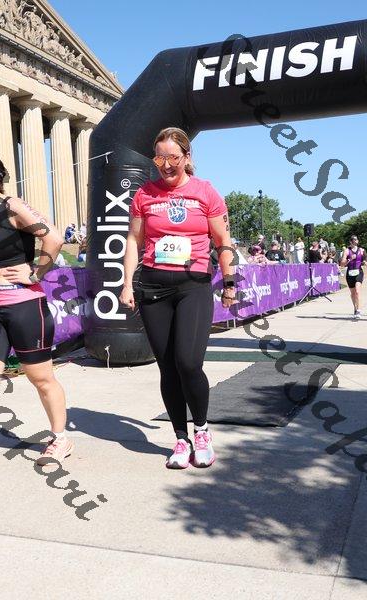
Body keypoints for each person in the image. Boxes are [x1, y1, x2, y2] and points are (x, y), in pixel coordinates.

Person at [119, 127, 235, 470]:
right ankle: (181, 438)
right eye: (160, 159)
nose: (166, 165)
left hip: (192, 286)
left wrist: (229, 282)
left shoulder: (205, 191)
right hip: (153, 288)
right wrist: (127, 283)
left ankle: (202, 431)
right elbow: (133, 241)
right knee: (167, 367)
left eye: (173, 157)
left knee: (188, 362)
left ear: (186, 157)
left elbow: (222, 241)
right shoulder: (144, 194)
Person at [0, 152, 73, 485]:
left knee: (41, 379)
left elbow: (54, 237)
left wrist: (36, 272)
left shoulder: (13, 206)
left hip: (26, 306)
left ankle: (60, 438)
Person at [340, 234, 366, 319]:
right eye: (354, 239)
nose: (356, 240)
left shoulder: (362, 250)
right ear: (351, 241)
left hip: (359, 272)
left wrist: (364, 262)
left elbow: (365, 260)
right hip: (350, 273)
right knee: (353, 293)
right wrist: (349, 259)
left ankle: (358, 310)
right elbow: (342, 264)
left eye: (357, 239)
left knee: (357, 291)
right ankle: (355, 308)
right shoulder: (347, 251)